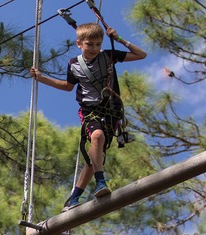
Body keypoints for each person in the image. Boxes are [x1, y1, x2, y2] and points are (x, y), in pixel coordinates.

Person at [29, 23, 146, 212]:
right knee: (97, 137)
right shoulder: (74, 64)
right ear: (79, 44)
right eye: (89, 44)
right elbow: (68, 86)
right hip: (90, 110)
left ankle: (73, 198)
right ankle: (100, 182)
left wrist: (119, 39)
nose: (94, 49)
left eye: (98, 44)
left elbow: (142, 55)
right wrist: (42, 78)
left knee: (95, 157)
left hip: (110, 111)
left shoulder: (108, 56)